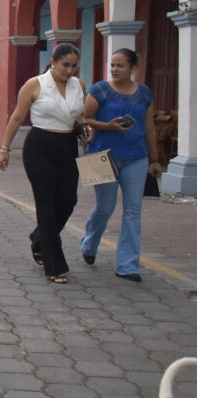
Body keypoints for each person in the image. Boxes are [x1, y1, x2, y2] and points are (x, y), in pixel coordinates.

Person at [0, 43, 88, 285]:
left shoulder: (78, 85)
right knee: (46, 205)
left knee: (68, 201)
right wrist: (4, 149)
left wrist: (85, 129)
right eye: (65, 65)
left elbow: (79, 116)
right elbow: (17, 116)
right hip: (39, 147)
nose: (70, 70)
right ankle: (54, 265)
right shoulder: (35, 84)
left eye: (74, 65)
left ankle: (39, 238)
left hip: (68, 145)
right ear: (53, 62)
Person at [79, 48, 164, 282]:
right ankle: (89, 244)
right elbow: (85, 119)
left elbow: (148, 127)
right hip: (102, 156)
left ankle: (127, 265)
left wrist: (155, 160)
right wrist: (109, 126)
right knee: (104, 208)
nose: (115, 70)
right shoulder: (100, 90)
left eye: (120, 65)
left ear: (133, 68)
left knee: (133, 211)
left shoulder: (144, 93)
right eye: (112, 65)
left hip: (136, 157)